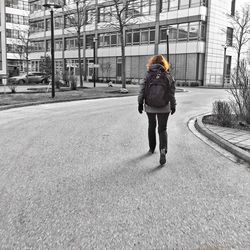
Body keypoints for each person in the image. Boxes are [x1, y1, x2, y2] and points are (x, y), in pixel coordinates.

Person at [138, 54, 176, 165]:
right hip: (164, 106)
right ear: (164, 64)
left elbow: (142, 90)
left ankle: (151, 148)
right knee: (162, 129)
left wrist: (140, 103)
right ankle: (163, 150)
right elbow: (171, 93)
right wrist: (173, 105)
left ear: (152, 63)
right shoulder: (168, 76)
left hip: (150, 106)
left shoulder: (148, 74)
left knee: (151, 125)